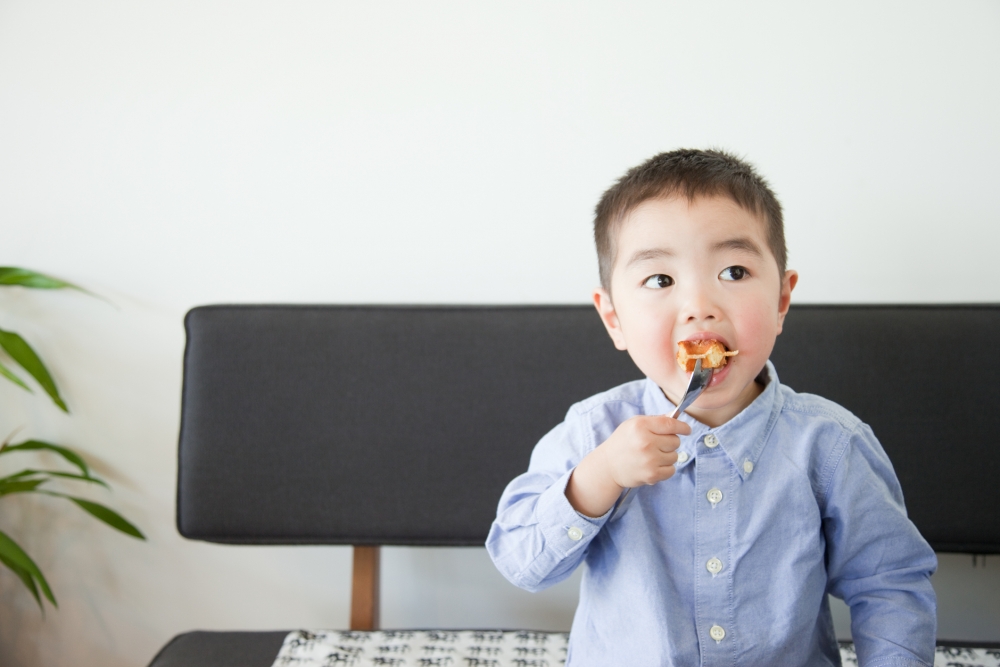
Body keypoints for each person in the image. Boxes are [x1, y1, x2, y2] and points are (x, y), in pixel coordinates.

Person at [486, 149, 937, 666]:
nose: (700, 304)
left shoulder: (830, 444)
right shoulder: (594, 433)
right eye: (660, 280)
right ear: (613, 317)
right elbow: (521, 563)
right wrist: (599, 477)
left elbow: (889, 586)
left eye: (735, 271)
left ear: (782, 301)